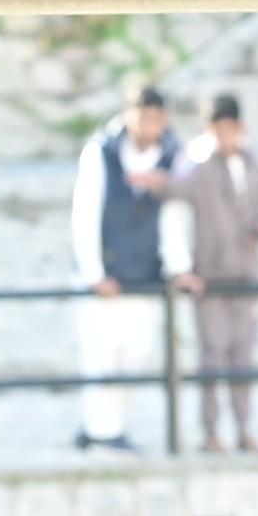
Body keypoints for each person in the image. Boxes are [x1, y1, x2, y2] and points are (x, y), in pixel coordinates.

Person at [70, 80, 184, 449]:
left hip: (146, 273)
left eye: (157, 120)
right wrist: (94, 274)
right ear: (129, 116)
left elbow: (174, 218)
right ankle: (103, 430)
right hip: (108, 272)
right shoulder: (100, 154)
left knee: (136, 356)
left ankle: (107, 425)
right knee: (101, 355)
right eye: (143, 119)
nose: (150, 129)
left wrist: (176, 265)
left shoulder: (172, 157)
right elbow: (84, 215)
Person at [168, 88, 258, 453]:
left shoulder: (252, 162)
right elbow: (175, 208)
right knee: (212, 355)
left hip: (246, 273)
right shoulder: (195, 165)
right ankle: (211, 431)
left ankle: (245, 428)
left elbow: (257, 205)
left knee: (243, 355)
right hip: (209, 276)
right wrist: (182, 267)